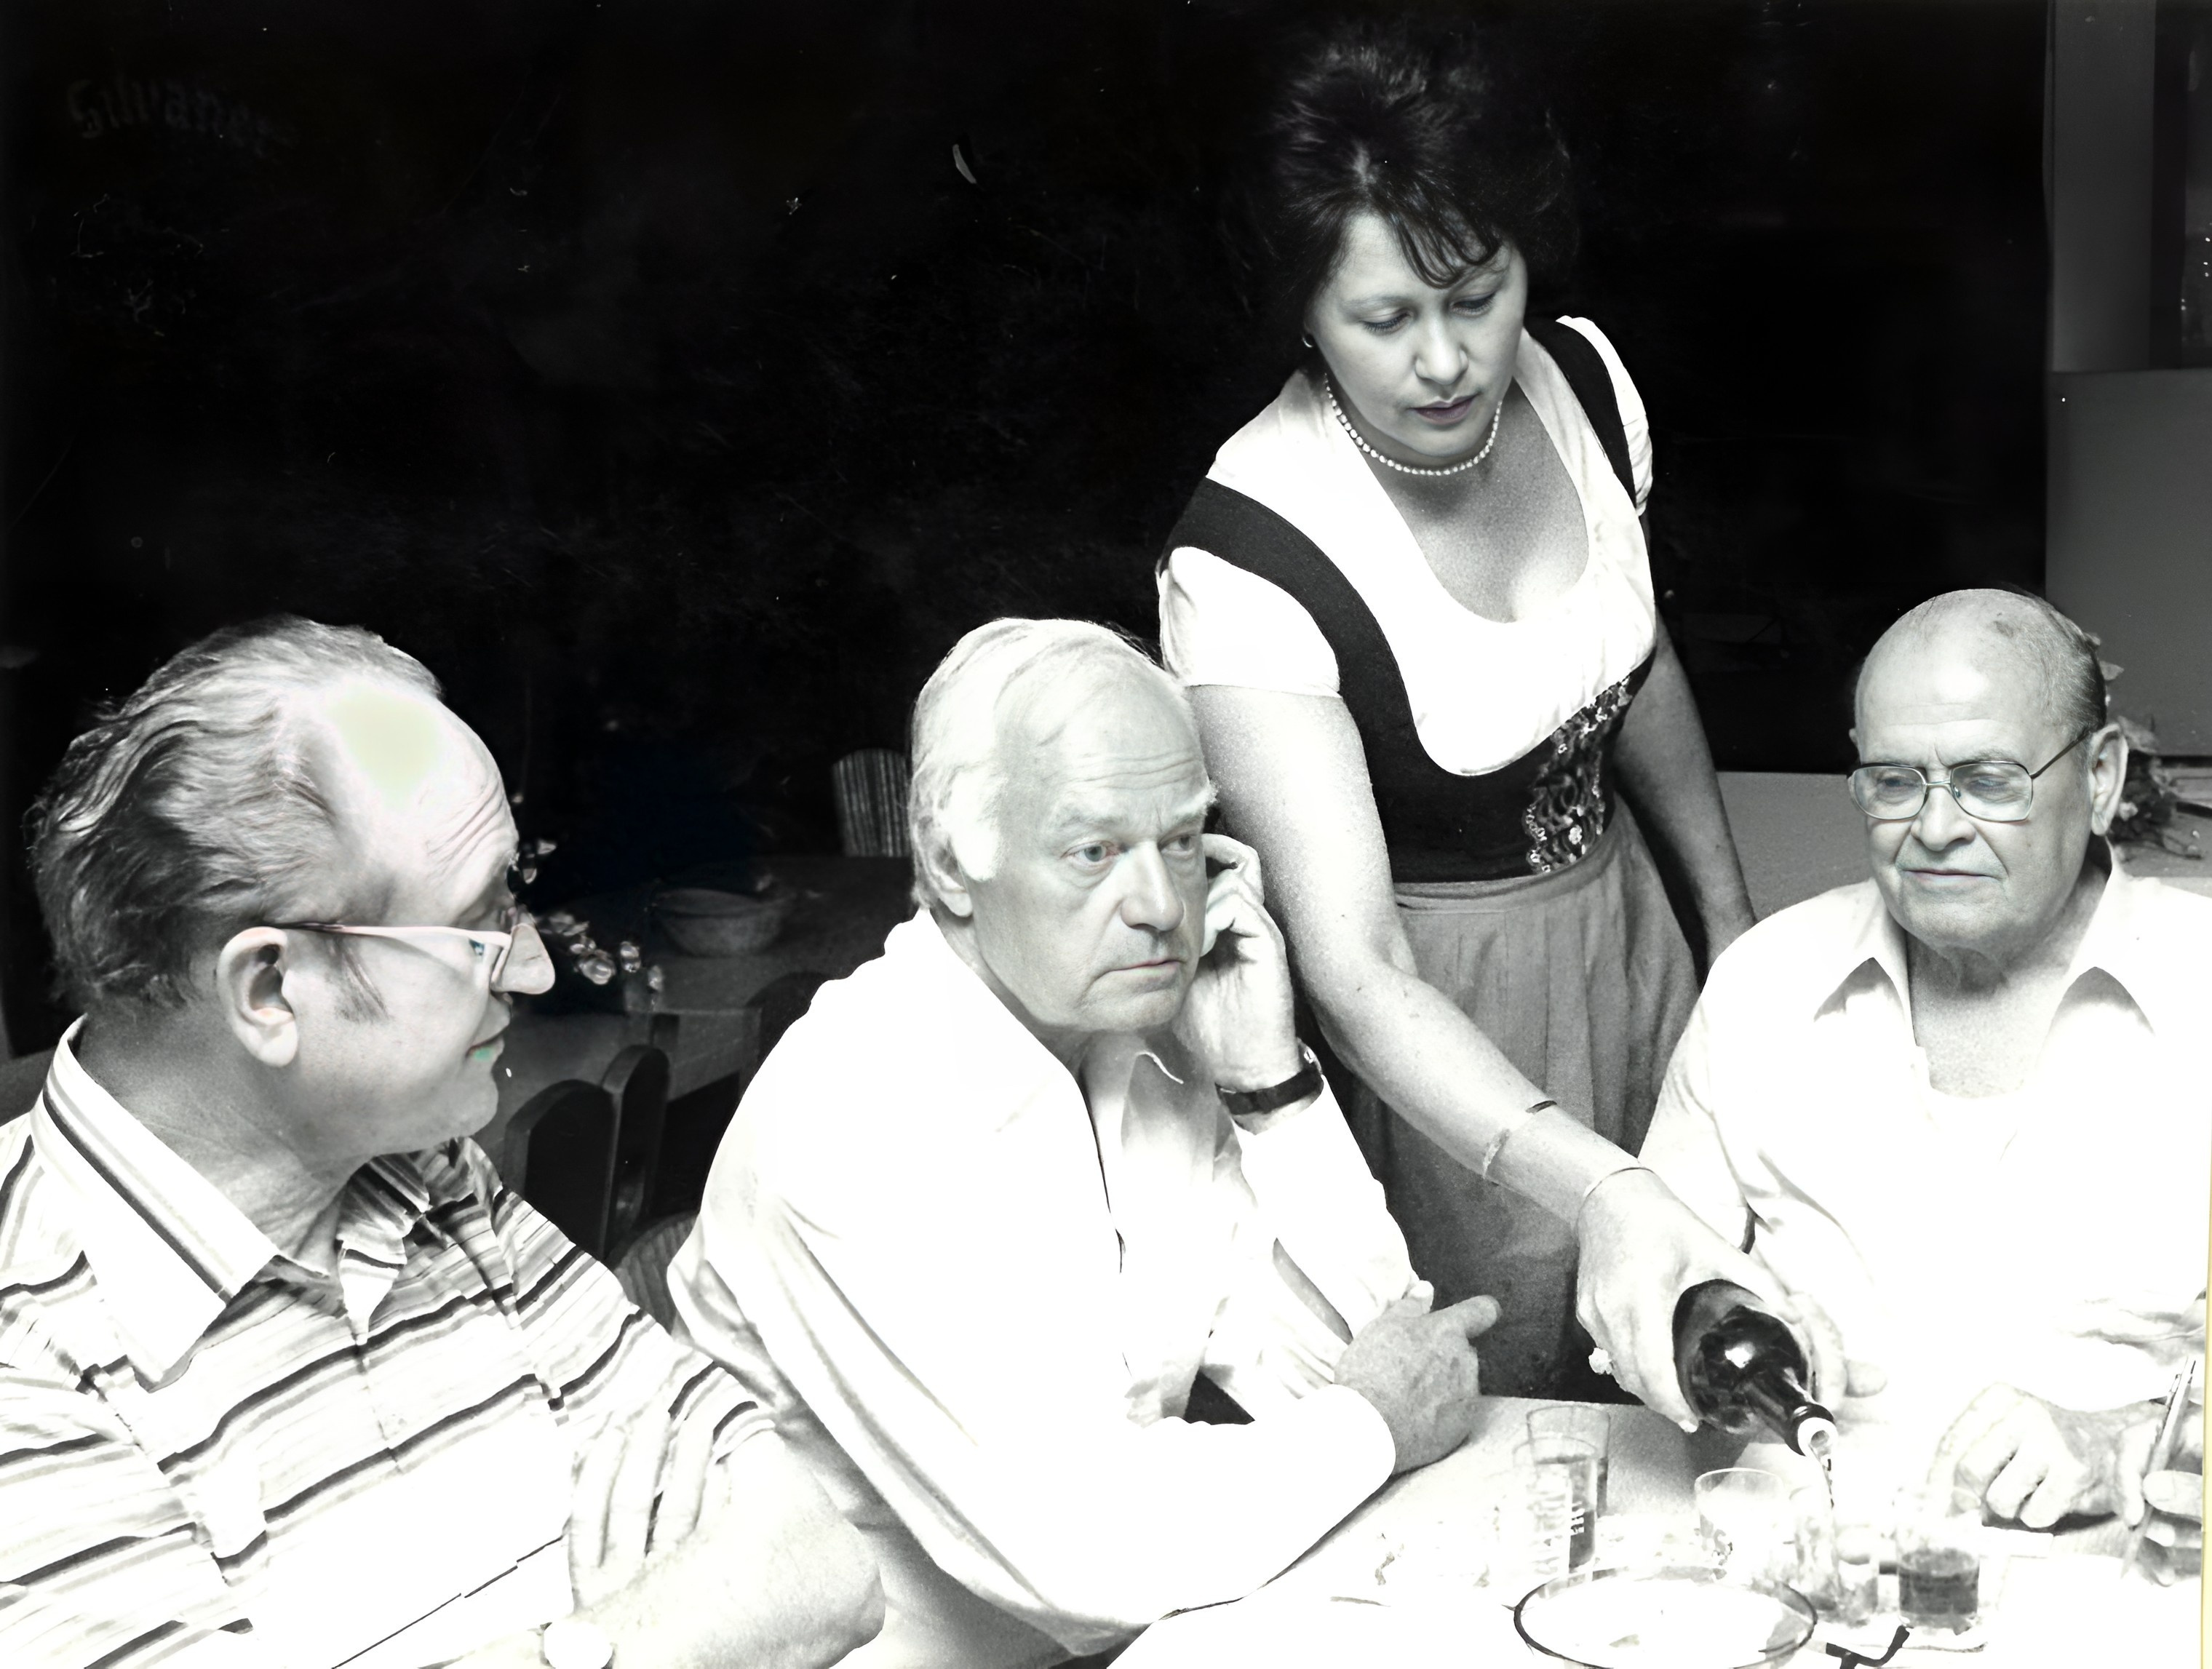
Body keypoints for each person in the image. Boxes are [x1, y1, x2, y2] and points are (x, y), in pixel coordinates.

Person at [0, 618, 883, 1669]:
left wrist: (571, 1641)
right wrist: (619, 1627)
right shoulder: (28, 1350)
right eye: (476, 928)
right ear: (272, 988)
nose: (535, 971)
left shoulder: (428, 1176)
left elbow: (822, 1564)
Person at [669, 618, 1501, 1669]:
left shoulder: (1144, 1042)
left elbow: (1363, 1370)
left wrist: (1269, 1084)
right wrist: (1368, 1423)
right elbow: (1087, 1553)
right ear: (948, 859)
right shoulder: (849, 1111)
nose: (1163, 908)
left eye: (1184, 842)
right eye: (1095, 850)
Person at [1157, 17, 1763, 1403]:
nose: (1446, 360)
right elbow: (1358, 968)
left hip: (1633, 944)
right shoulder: (1251, 551)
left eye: (1476, 295)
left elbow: (1638, 660)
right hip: (1442, 1034)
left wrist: (1729, 932)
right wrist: (1594, 1178)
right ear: (1302, 309)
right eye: (1383, 320)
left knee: (1692, 1346)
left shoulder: (1590, 387)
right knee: (1518, 1405)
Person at [1642, 589, 2209, 1528]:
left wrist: (2132, 1441)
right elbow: (1654, 1289)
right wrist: (1704, 1317)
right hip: (1808, 1562)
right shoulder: (1764, 984)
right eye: (1896, 781)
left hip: (2122, 1570)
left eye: (1989, 779)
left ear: (2102, 778)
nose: (1936, 829)